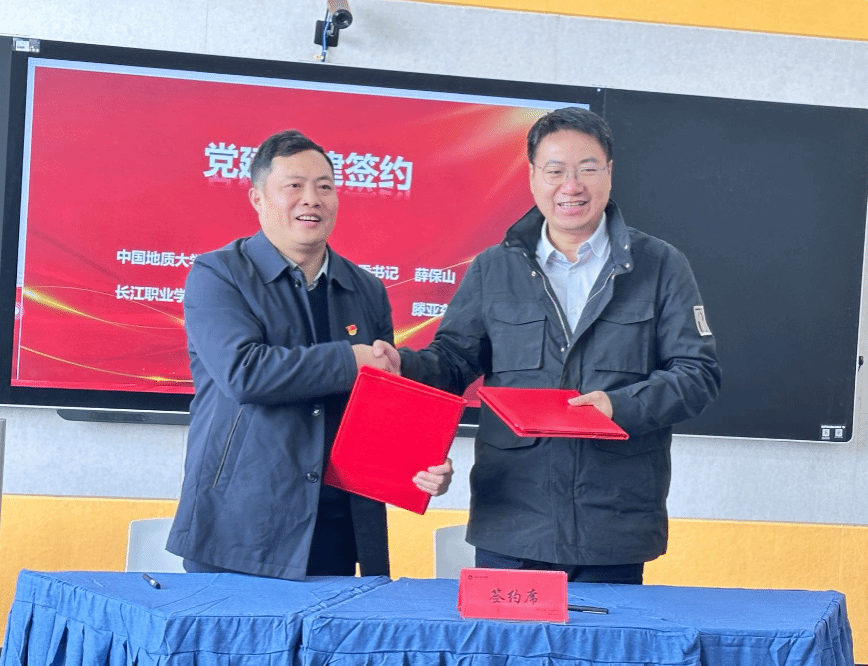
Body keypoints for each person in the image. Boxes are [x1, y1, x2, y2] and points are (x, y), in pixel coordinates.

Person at [380, 107, 721, 584]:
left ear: (609, 173)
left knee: (604, 636)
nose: (571, 186)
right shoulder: (493, 268)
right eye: (555, 170)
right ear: (533, 177)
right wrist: (403, 365)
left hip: (613, 524)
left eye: (587, 169)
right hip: (512, 519)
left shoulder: (660, 265)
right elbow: (453, 362)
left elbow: (697, 374)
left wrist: (618, 407)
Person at [167, 129, 453, 580]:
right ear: (257, 198)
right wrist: (351, 360)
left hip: (337, 526)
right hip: (240, 527)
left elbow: (379, 408)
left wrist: (420, 464)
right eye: (294, 186)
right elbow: (245, 374)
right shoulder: (218, 274)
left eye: (324, 186)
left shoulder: (366, 289)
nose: (312, 199)